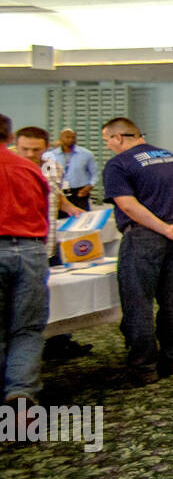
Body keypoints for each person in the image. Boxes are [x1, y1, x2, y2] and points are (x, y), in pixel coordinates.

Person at [101, 117, 173, 382]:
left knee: (139, 301)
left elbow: (128, 206)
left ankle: (144, 366)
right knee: (171, 299)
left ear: (119, 138)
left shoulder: (118, 164)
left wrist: (161, 228)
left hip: (145, 237)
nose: (108, 146)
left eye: (107, 140)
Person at [15, 127, 92, 361]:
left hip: (47, 239)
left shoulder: (52, 166)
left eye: (35, 149)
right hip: (19, 243)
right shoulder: (8, 167)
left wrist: (69, 207)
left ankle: (58, 342)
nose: (29, 154)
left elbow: (54, 194)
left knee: (54, 293)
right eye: (24, 149)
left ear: (47, 147)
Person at [1, 114, 51, 413]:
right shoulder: (29, 169)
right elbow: (42, 213)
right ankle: (20, 396)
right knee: (28, 328)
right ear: (9, 138)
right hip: (30, 250)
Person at [43, 127, 98, 215]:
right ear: (60, 138)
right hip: (60, 192)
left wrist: (89, 186)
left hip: (79, 193)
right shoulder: (51, 155)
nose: (71, 140)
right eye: (67, 137)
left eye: (73, 137)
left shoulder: (86, 154)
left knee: (81, 218)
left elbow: (95, 174)